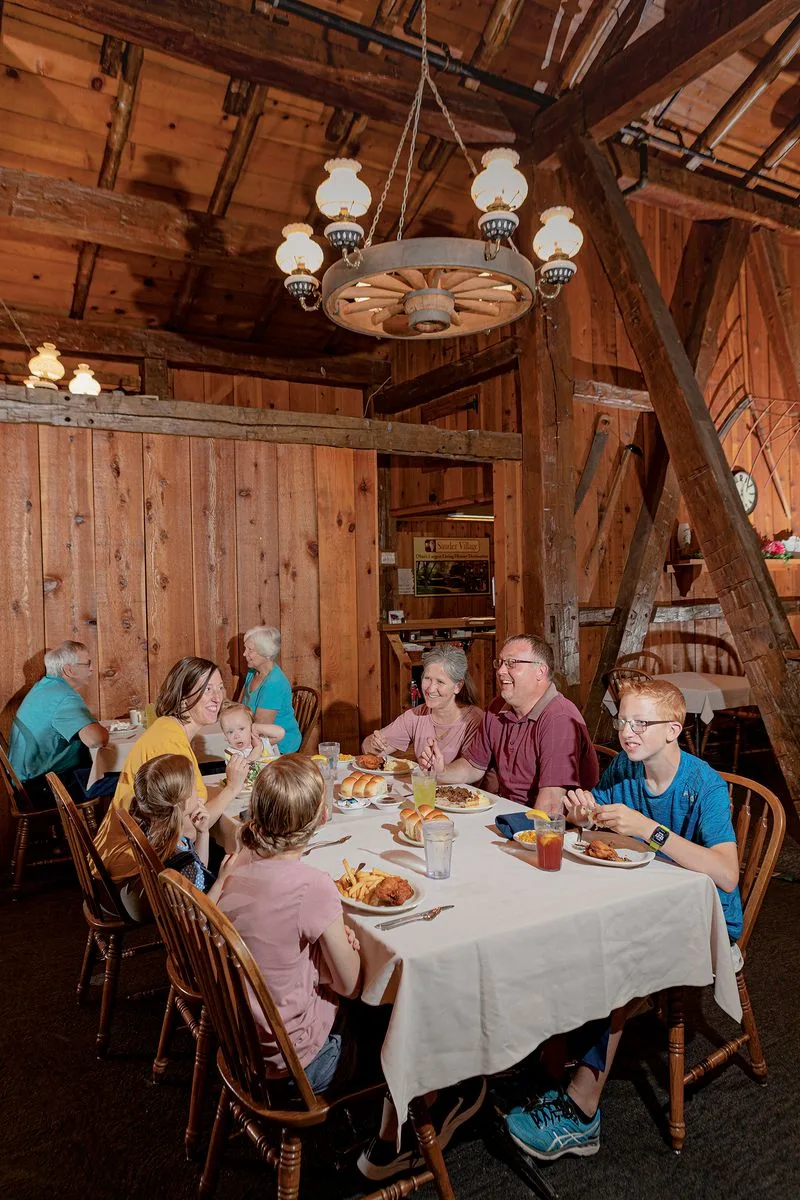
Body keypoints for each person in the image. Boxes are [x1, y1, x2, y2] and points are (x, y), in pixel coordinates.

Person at [506, 678, 743, 1162]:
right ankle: (556, 1059)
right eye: (622, 720)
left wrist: (649, 831)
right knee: (567, 933)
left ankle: (583, 1108)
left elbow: (725, 873)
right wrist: (584, 813)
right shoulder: (624, 768)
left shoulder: (704, 785)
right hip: (641, 903)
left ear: (674, 729)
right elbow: (598, 822)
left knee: (616, 966)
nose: (627, 731)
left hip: (705, 920)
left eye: (641, 723)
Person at [214, 755, 362, 1092]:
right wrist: (341, 949)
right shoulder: (312, 886)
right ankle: (391, 1129)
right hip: (298, 1062)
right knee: (382, 1016)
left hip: (242, 1041)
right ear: (323, 818)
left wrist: (322, 955)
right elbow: (350, 985)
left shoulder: (236, 863)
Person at [94, 657, 251, 916]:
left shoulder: (168, 728)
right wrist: (232, 788)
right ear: (182, 696)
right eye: (206, 689)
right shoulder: (169, 743)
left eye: (220, 687)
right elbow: (187, 827)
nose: (217, 697)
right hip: (132, 876)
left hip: (131, 856)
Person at [421, 635, 598, 814]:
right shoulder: (497, 708)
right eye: (500, 663)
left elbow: (552, 804)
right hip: (507, 813)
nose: (500, 671)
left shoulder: (559, 718)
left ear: (540, 671)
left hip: (550, 828)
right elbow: (473, 766)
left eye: (512, 663)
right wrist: (441, 772)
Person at [7, 641, 108, 805]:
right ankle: (120, 830)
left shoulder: (45, 687)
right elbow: (97, 739)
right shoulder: (64, 696)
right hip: (44, 789)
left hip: (26, 783)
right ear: (69, 670)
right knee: (128, 777)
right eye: (87, 663)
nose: (91, 669)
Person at [361, 644, 483, 765]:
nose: (430, 689)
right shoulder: (416, 715)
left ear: (458, 686)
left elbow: (471, 769)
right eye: (427, 678)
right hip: (424, 784)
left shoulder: (475, 719)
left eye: (440, 681)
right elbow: (367, 747)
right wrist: (374, 745)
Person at [130, 754, 215, 893]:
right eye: (194, 787)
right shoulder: (183, 862)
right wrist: (222, 879)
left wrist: (202, 833)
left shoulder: (152, 829)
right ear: (184, 801)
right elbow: (199, 910)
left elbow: (199, 869)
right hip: (203, 911)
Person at [240, 626, 302, 753]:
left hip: (279, 745)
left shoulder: (274, 683)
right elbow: (239, 706)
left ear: (266, 653)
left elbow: (260, 729)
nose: (244, 653)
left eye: (250, 650)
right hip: (253, 736)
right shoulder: (253, 672)